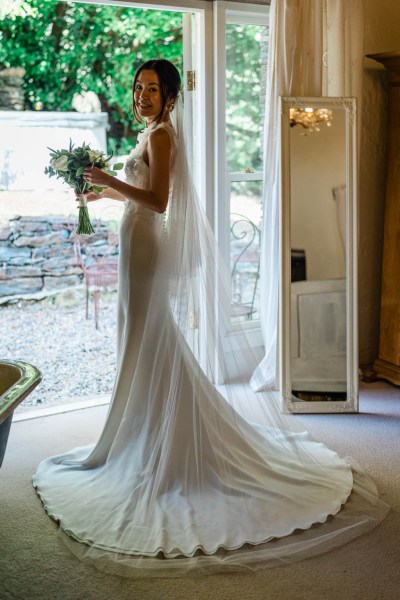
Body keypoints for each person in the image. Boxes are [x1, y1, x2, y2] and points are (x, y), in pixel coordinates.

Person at [33, 59, 388, 577]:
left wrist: (112, 178)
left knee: (152, 337)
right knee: (141, 337)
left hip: (147, 247)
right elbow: (136, 196)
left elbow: (158, 201)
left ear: (170, 97)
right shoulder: (148, 132)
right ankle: (138, 426)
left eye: (152, 89)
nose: (142, 96)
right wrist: (98, 192)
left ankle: (167, 434)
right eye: (138, 87)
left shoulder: (163, 136)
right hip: (134, 243)